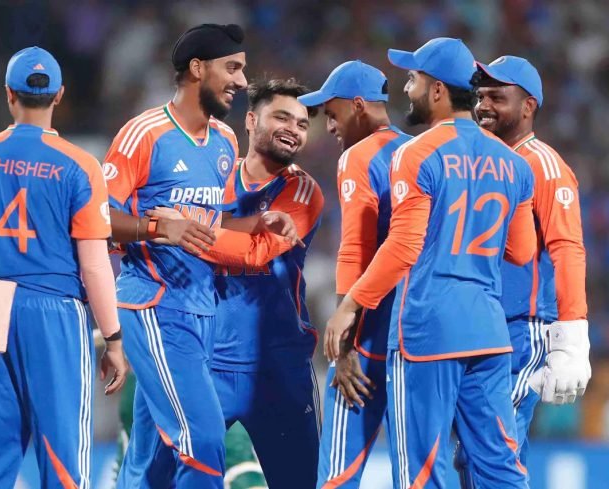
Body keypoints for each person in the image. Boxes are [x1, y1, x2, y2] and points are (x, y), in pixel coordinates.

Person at [324, 38, 537, 489]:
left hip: (427, 331)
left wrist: (350, 306)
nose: (407, 88)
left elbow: (403, 246)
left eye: (414, 79)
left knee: (424, 469)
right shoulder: (514, 163)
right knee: (500, 465)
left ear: (437, 90)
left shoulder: (415, 153)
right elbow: (522, 252)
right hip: (488, 331)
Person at [104, 24, 300, 489]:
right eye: (232, 68)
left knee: (152, 462)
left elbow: (205, 226)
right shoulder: (143, 133)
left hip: (203, 311)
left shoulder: (225, 143)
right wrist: (156, 228)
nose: (240, 81)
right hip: (154, 306)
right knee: (204, 439)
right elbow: (95, 217)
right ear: (197, 69)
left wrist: (256, 224)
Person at [0, 46, 128, 489]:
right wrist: (115, 339)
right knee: (64, 457)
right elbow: (95, 266)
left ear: (9, 94)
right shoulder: (79, 165)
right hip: (56, 313)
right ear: (60, 95)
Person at [452, 55, 590, 488]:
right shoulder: (479, 159)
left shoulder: (544, 165)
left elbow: (568, 248)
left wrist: (572, 337)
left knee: (495, 451)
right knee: (472, 456)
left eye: (497, 96)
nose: (484, 105)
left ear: (528, 105)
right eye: (480, 95)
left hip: (520, 329)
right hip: (477, 326)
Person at [298, 60, 411, 488]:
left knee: (336, 476)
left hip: (368, 338)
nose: (328, 126)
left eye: (332, 113)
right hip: (416, 339)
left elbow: (355, 249)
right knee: (415, 472)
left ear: (359, 105)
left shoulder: (358, 157)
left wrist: (344, 344)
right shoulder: (420, 150)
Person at [211, 78, 324, 488]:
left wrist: (185, 230)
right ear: (251, 120)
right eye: (282, 116)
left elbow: (255, 251)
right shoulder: (213, 177)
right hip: (209, 356)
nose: (294, 128)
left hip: (279, 365)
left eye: (302, 123)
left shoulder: (303, 190)